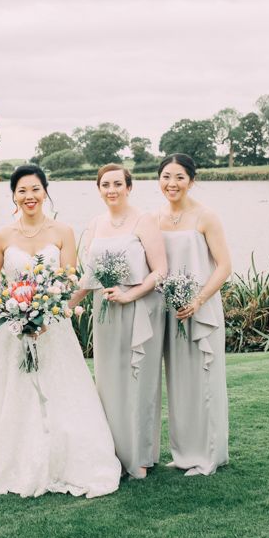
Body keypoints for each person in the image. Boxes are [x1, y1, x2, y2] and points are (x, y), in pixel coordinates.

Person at [0, 165, 121, 497]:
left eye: (35, 189)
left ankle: (67, 460)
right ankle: (7, 458)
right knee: (9, 391)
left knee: (61, 388)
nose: (29, 196)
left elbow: (69, 278)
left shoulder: (62, 231)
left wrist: (46, 308)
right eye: (22, 190)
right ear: (14, 196)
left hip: (53, 326)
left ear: (45, 192)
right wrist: (15, 306)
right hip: (11, 327)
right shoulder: (3, 235)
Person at [72, 164, 167, 478]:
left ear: (129, 186)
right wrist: (63, 305)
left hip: (138, 309)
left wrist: (131, 295)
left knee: (138, 381)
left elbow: (160, 270)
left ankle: (140, 456)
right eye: (104, 185)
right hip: (105, 311)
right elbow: (88, 276)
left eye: (117, 184)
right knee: (108, 382)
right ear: (99, 190)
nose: (111, 190)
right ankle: (110, 453)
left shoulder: (145, 221)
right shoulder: (95, 223)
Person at [156, 153, 231, 476]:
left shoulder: (206, 216)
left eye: (179, 177)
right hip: (171, 310)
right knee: (178, 382)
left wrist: (199, 300)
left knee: (204, 379)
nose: (172, 184)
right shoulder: (155, 219)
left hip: (202, 309)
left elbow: (225, 266)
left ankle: (209, 455)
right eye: (166, 177)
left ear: (191, 180)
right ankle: (184, 452)